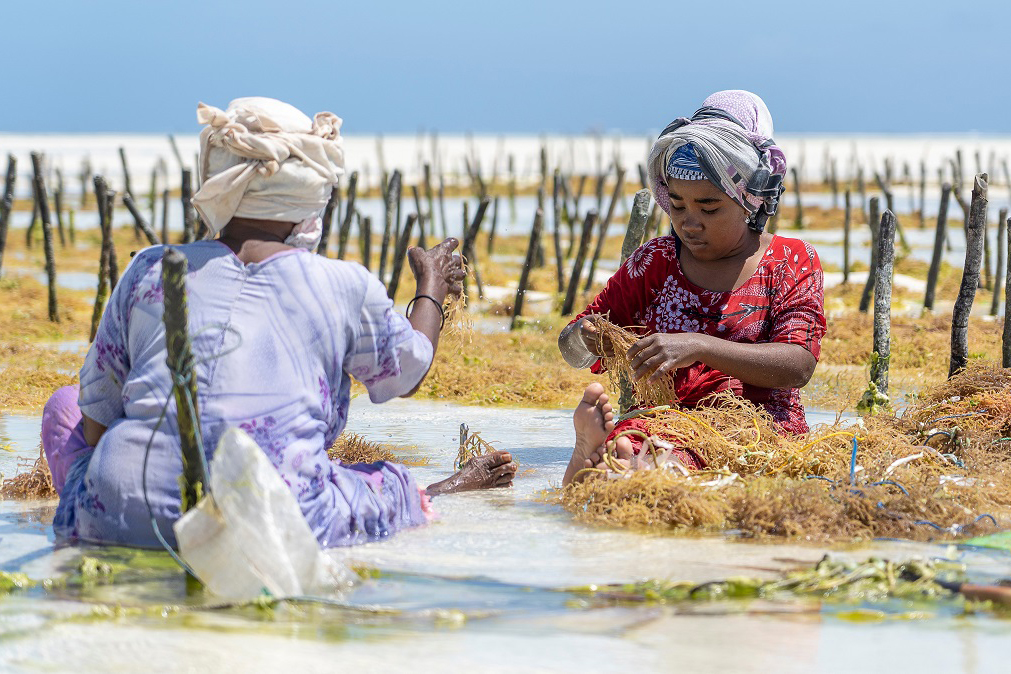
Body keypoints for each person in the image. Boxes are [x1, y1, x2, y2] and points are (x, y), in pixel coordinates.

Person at [42, 97, 517, 548]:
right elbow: (408, 371)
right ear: (311, 199)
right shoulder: (342, 285)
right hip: (282, 520)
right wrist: (430, 287)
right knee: (388, 482)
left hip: (115, 516)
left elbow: (98, 420)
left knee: (65, 405)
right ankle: (436, 493)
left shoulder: (148, 269)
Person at [559, 90, 826, 485]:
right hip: (667, 422)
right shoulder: (656, 261)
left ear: (750, 200)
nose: (690, 222)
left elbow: (798, 365)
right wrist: (588, 337)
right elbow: (571, 346)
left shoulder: (790, 261)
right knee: (636, 460)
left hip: (759, 432)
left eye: (709, 207)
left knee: (664, 468)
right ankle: (599, 455)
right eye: (679, 205)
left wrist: (697, 345)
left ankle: (624, 460)